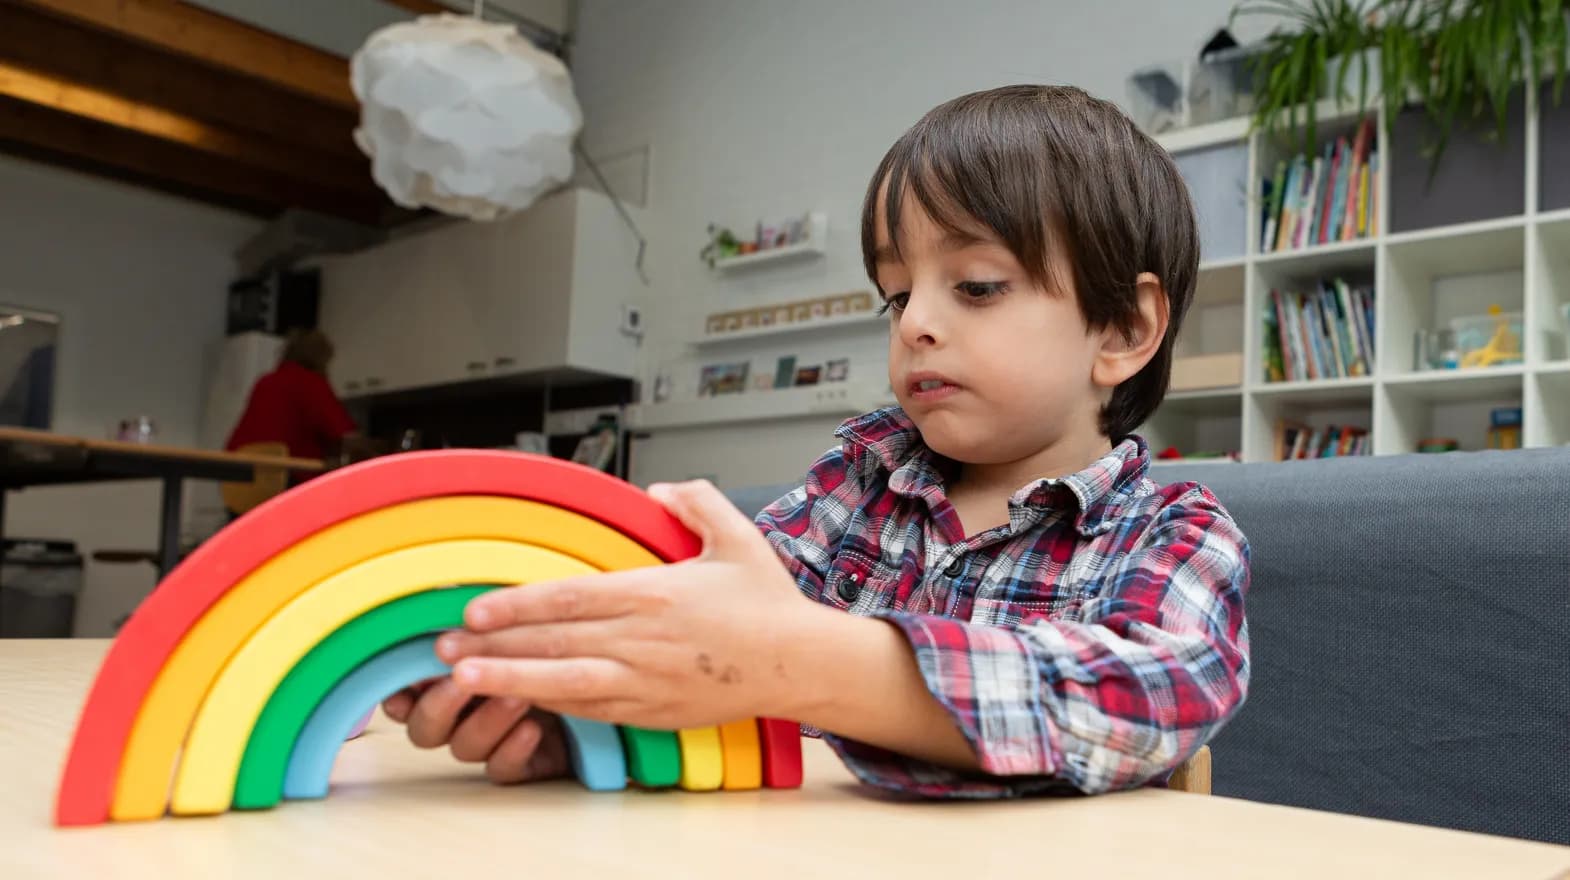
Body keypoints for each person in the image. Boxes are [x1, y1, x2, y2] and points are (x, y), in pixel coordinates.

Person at [381, 84, 1251, 797]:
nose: (916, 325)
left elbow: (1158, 693)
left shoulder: (1174, 530)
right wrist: (575, 719)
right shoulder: (857, 483)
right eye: (896, 295)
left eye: (977, 286)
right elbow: (710, 648)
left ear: (1123, 330)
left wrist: (802, 661)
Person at [225, 329, 361, 466]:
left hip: (239, 465)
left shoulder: (266, 380)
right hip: (284, 471)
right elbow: (345, 434)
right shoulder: (312, 383)